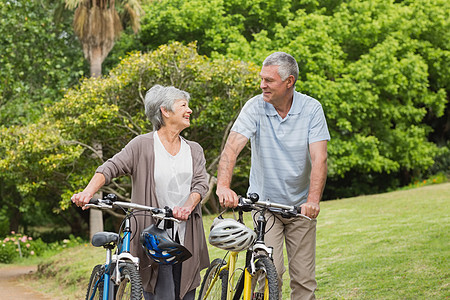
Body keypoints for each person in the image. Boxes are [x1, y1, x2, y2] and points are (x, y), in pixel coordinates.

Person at [71, 84, 210, 300]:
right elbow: (110, 167)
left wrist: (187, 207)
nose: (189, 110)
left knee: (185, 293)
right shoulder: (142, 145)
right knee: (160, 293)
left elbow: (201, 183)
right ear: (165, 111)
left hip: (185, 233)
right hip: (153, 234)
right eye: (183, 105)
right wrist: (87, 192)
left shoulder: (194, 149)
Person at [216, 52, 330, 299]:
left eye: (269, 80)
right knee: (271, 271)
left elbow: (319, 158)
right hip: (265, 206)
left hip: (300, 208)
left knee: (304, 280)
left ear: (289, 82)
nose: (262, 85)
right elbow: (232, 147)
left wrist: (312, 200)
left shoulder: (311, 109)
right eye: (261, 79)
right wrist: (223, 186)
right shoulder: (255, 106)